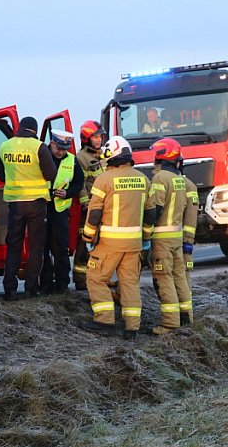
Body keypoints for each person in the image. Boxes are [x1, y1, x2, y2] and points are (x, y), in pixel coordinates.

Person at [80, 136, 156, 340]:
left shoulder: (104, 179)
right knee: (130, 283)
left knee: (96, 279)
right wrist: (146, 239)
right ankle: (132, 327)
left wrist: (88, 237)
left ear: (111, 157)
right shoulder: (143, 179)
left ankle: (105, 321)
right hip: (134, 244)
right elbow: (150, 213)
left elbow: (94, 213)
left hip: (109, 243)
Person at [0, 116, 57, 300]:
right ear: (35, 130)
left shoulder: (5, 146)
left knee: (13, 245)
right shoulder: (38, 146)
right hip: (36, 203)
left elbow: (1, 176)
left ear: (20, 127)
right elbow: (51, 174)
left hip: (15, 204)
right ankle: (31, 287)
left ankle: (9, 289)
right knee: (36, 246)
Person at [149, 137, 193, 334]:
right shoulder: (180, 180)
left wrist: (145, 228)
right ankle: (186, 317)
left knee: (163, 277)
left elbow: (155, 210)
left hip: (162, 238)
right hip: (176, 237)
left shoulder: (160, 178)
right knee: (179, 276)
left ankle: (169, 323)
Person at [40, 129, 84, 294]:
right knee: (42, 248)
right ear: (51, 143)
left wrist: (68, 193)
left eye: (65, 149)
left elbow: (79, 183)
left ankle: (62, 284)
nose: (61, 152)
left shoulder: (72, 160)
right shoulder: (42, 156)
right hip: (42, 207)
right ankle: (45, 284)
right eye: (59, 148)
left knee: (60, 248)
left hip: (60, 210)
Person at [72, 120, 107, 290]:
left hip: (105, 206)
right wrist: (86, 204)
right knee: (84, 243)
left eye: (100, 136)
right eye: (95, 137)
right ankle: (80, 279)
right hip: (91, 207)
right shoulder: (81, 158)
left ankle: (99, 277)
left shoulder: (104, 155)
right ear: (87, 138)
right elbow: (81, 183)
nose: (99, 139)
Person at [180, 170, 199, 325]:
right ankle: (185, 318)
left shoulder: (188, 186)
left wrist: (187, 242)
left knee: (183, 279)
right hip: (178, 241)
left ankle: (187, 318)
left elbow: (190, 219)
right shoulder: (188, 185)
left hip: (180, 242)